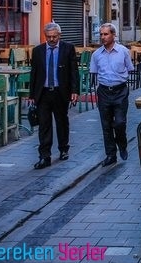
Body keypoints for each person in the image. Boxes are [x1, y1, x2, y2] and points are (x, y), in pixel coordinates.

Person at [29, 22, 79, 169]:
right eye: (48, 37)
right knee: (44, 124)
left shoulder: (68, 48)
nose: (51, 40)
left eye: (54, 37)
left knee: (62, 121)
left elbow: (73, 72)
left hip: (60, 91)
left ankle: (64, 149)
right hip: (43, 92)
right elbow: (34, 73)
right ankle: (45, 156)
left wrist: (74, 91)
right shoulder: (38, 51)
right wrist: (32, 94)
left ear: (59, 35)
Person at [90, 23, 135, 167]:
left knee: (120, 122)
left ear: (113, 35)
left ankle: (122, 143)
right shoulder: (96, 55)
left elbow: (130, 68)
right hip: (104, 91)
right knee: (106, 125)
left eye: (106, 34)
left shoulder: (123, 51)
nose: (103, 37)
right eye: (101, 34)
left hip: (120, 91)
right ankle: (110, 155)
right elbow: (94, 73)